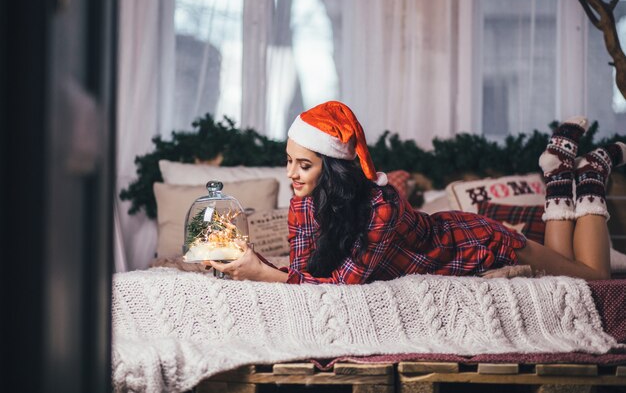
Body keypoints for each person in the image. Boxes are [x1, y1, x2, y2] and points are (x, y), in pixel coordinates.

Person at [208, 101, 626, 283]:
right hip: (453, 241)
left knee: (591, 277)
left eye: (304, 164)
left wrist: (264, 273)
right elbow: (302, 272)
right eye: (288, 161)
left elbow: (338, 288)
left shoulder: (380, 206)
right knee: (569, 267)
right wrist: (250, 261)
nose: (291, 175)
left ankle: (590, 175)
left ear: (333, 168)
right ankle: (557, 176)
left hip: (478, 243)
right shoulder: (304, 202)